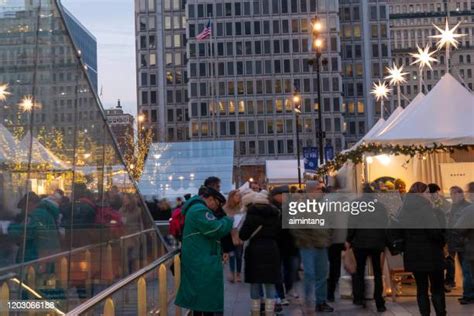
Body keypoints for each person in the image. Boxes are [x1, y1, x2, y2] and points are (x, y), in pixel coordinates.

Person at [175, 186, 233, 315]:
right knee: (206, 303)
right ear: (211, 199)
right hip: (202, 263)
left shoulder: (194, 209)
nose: (216, 208)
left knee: (200, 304)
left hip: (199, 260)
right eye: (217, 204)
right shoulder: (199, 210)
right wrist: (228, 220)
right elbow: (216, 229)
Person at [398, 182, 447, 316]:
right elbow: (434, 233)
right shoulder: (427, 209)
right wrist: (443, 239)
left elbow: (398, 233)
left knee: (421, 289)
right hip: (432, 255)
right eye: (426, 192)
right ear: (419, 194)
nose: (429, 195)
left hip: (413, 256)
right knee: (437, 289)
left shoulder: (403, 210)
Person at [291, 181, 334, 313]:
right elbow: (295, 226)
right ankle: (308, 301)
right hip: (308, 245)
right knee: (309, 274)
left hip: (322, 244)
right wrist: (305, 238)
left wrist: (328, 235)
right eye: (317, 189)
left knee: (322, 274)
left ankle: (321, 302)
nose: (320, 191)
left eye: (320, 189)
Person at [346, 184, 388, 312]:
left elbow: (351, 225)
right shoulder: (380, 206)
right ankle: (379, 302)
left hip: (360, 243)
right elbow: (385, 224)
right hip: (377, 244)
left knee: (359, 271)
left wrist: (349, 239)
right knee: (377, 273)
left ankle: (360, 297)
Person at [239, 190, 281, 315]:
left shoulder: (250, 215)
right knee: (270, 281)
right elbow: (280, 233)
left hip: (254, 251)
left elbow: (243, 236)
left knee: (255, 282)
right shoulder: (276, 214)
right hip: (271, 249)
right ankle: (269, 311)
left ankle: (255, 311)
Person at [8, 193, 62, 266]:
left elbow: (27, 231)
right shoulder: (45, 213)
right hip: (45, 256)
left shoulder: (36, 214)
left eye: (23, 207)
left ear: (30, 203)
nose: (23, 211)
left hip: (34, 257)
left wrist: (9, 227)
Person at [271, 185, 299, 308]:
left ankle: (289, 289)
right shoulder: (272, 209)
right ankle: (280, 295)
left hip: (291, 243)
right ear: (275, 196)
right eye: (282, 195)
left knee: (292, 269)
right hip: (277, 244)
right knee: (279, 271)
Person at [446, 186, 472, 298]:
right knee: (464, 269)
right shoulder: (453, 207)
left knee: (467, 271)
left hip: (465, 244)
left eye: (453, 194)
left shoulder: (467, 207)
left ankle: (468, 294)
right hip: (457, 243)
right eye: (451, 194)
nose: (452, 196)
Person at [223, 189, 244, 283]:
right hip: (229, 235)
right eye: (237, 196)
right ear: (231, 197)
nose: (239, 197)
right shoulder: (225, 209)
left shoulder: (242, 208)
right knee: (231, 255)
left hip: (239, 235)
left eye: (240, 196)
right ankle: (232, 273)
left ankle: (239, 273)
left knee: (239, 255)